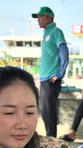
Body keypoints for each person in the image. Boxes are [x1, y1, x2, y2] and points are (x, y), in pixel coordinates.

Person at [32, 6, 69, 138]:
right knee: (43, 110)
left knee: (49, 110)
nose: (38, 20)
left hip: (51, 79)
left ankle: (52, 138)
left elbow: (64, 52)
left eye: (41, 17)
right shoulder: (46, 34)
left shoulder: (56, 32)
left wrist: (60, 74)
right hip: (44, 78)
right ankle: (50, 137)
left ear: (49, 17)